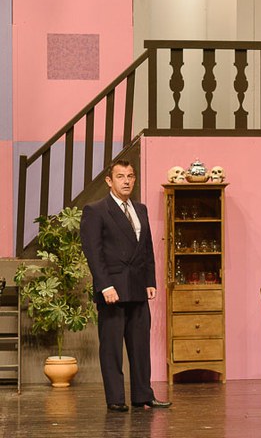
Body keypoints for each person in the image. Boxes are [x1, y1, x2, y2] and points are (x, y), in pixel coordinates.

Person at [80, 159, 171, 412]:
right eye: (120, 177)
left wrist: (150, 280)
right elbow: (93, 252)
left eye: (130, 176)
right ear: (109, 181)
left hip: (138, 286)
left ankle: (143, 395)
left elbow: (147, 248)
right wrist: (105, 285)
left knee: (140, 345)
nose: (127, 181)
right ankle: (116, 399)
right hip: (113, 289)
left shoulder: (140, 209)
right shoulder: (96, 210)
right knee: (112, 348)